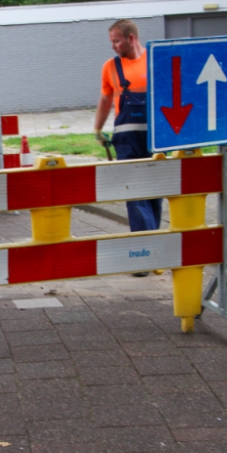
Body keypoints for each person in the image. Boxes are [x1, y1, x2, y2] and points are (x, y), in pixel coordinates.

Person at [93, 19, 163, 274]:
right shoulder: (110, 67)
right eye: (112, 41)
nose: (113, 46)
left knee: (155, 193)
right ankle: (144, 255)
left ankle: (150, 249)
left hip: (156, 141)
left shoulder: (155, 61)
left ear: (131, 38)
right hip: (126, 140)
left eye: (117, 40)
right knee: (134, 194)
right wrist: (98, 129)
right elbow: (105, 99)